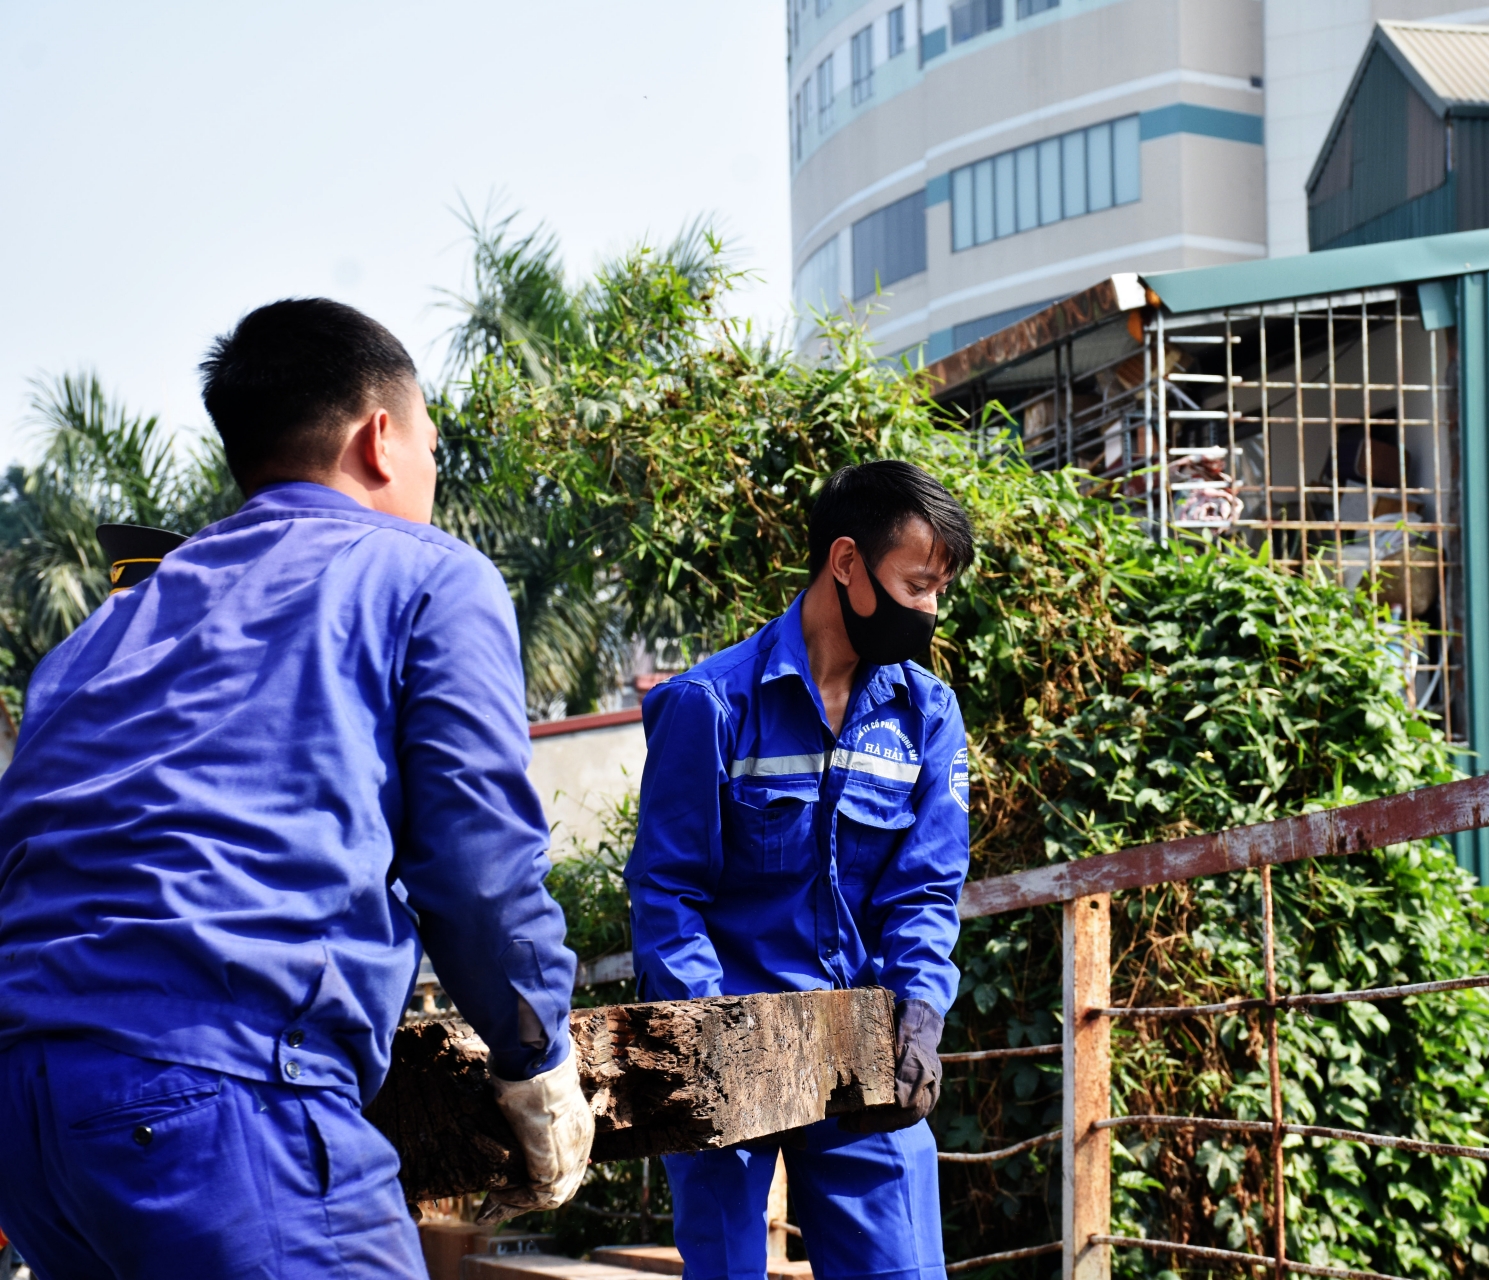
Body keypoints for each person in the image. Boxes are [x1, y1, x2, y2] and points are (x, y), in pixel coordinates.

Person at [0, 298, 593, 1278]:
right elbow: (477, 867)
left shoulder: (96, 636)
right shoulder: (425, 576)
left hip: (32, 1120)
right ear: (380, 437)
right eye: (434, 450)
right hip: (223, 1100)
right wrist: (537, 1055)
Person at [628, 460, 974, 1280]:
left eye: (937, 592)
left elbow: (926, 886)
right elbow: (667, 891)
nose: (928, 610)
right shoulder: (710, 705)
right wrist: (715, 1039)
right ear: (846, 563)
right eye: (916, 585)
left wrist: (920, 1004)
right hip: (722, 1045)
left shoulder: (927, 718)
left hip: (861, 1048)